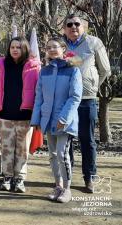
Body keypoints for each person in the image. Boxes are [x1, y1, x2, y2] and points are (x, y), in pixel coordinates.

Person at [62, 14, 111, 193]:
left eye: (77, 24)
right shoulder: (60, 45)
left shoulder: (94, 43)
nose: (73, 27)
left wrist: (92, 85)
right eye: (69, 24)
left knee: (87, 139)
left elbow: (105, 70)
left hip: (86, 100)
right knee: (65, 140)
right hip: (65, 100)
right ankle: (65, 177)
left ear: (84, 26)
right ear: (64, 28)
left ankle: (89, 177)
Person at [31, 37, 82, 203]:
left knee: (62, 154)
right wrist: (36, 120)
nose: (52, 50)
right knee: (52, 155)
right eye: (49, 48)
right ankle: (58, 186)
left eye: (55, 47)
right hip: (47, 119)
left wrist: (64, 118)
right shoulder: (44, 71)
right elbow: (39, 97)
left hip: (64, 120)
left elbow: (75, 97)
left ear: (63, 49)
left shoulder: (73, 70)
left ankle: (67, 189)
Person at [0, 37, 41, 193]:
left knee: (22, 149)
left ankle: (20, 179)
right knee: (6, 148)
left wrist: (37, 115)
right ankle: (7, 177)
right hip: (5, 115)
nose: (15, 49)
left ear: (24, 48)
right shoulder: (0, 66)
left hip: (25, 117)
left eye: (18, 47)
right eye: (12, 47)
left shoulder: (33, 67)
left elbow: (39, 93)